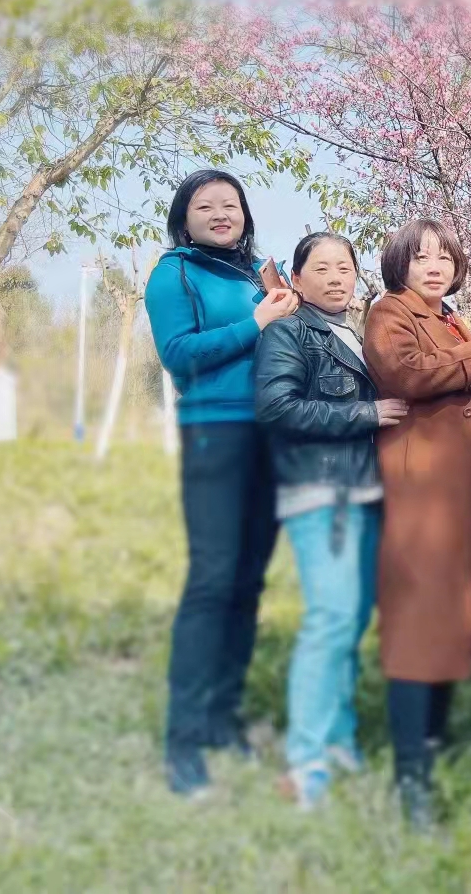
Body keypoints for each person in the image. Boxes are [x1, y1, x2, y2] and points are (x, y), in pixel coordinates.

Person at [145, 169, 298, 797]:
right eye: (204, 205)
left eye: (230, 204)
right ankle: (183, 743)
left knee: (247, 582)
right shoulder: (174, 274)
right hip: (216, 431)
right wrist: (256, 323)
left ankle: (220, 717)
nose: (219, 213)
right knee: (212, 581)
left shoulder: (259, 275)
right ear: (184, 219)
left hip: (273, 434)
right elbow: (178, 355)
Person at [361, 219, 471, 828]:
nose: (434, 267)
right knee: (416, 628)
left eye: (445, 258)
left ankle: (432, 744)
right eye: (422, 257)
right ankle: (411, 775)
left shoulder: (450, 319)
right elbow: (409, 375)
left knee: (451, 618)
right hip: (420, 491)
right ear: (399, 263)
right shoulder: (389, 313)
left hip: (459, 493)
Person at [254, 232, 409, 811]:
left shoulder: (354, 333)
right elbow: (275, 407)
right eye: (321, 268)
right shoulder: (289, 332)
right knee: (330, 621)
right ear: (297, 278)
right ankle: (307, 759)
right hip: (323, 492)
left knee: (350, 621)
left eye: (344, 267)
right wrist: (364, 413)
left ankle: (338, 739)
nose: (337, 277)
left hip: (362, 493)